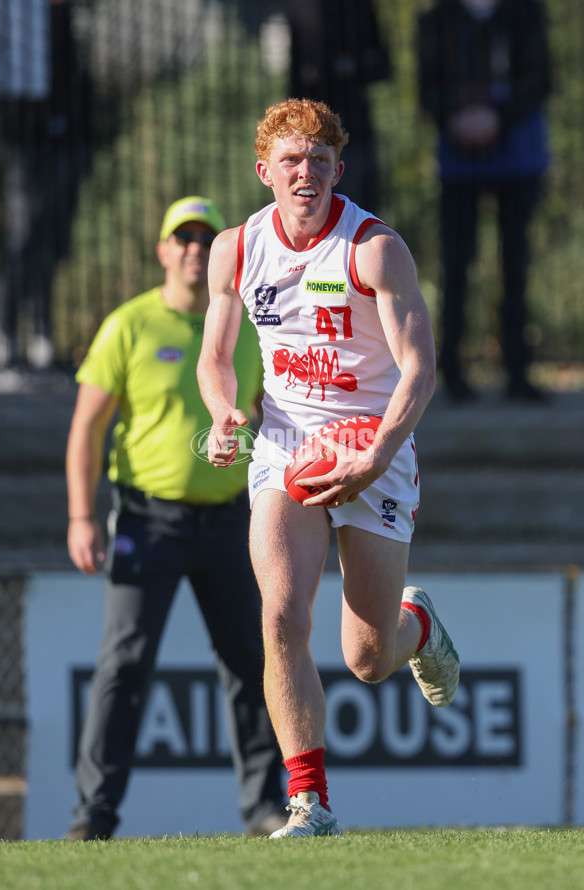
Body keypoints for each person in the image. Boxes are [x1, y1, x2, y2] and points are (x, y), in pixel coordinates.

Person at [196, 99, 460, 838]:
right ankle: (308, 803)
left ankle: (416, 622)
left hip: (374, 447)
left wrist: (377, 455)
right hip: (286, 447)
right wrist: (224, 413)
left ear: (338, 169)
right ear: (264, 172)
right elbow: (215, 359)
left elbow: (420, 368)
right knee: (280, 616)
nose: (305, 173)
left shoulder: (375, 248)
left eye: (319, 160)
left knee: (368, 658)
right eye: (290, 160)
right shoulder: (237, 248)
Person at [64, 196, 286, 840]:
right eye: (181, 237)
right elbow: (88, 429)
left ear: (220, 250)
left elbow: (271, 412)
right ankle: (94, 815)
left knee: (254, 658)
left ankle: (266, 808)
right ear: (163, 250)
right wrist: (82, 516)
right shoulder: (129, 325)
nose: (194, 248)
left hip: (229, 518)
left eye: (204, 237)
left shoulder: (248, 326)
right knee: (124, 664)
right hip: (146, 520)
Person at [417, 0, 551, 403]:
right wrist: (457, 119)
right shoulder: (436, 20)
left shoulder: (526, 13)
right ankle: (451, 371)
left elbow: (541, 81)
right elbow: (428, 91)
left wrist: (497, 118)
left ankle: (517, 371)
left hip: (518, 156)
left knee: (517, 263)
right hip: (458, 161)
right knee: (456, 262)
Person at [0, 0, 95, 374]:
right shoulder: (14, 15)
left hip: (62, 142)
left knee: (50, 237)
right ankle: (4, 332)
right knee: (24, 234)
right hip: (22, 141)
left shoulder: (61, 20)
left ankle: (40, 332)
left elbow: (74, 77)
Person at [286, 0, 390, 213]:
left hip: (354, 129)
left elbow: (381, 64)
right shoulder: (300, 7)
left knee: (358, 211)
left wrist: (350, 68)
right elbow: (296, 74)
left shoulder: (359, 7)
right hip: (313, 133)